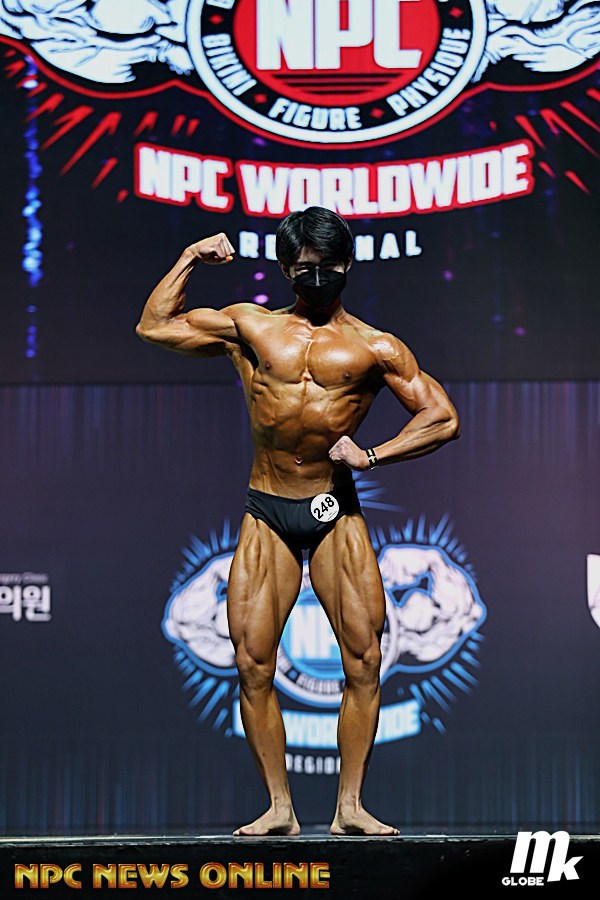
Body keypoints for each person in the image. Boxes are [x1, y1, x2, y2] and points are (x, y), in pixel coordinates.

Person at [136, 206, 460, 837]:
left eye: (329, 266)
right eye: (306, 267)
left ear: (347, 266)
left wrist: (372, 455)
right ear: (286, 268)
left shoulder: (375, 347)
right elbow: (154, 326)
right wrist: (192, 257)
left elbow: (442, 418)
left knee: (363, 659)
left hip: (333, 508)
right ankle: (280, 809)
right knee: (253, 663)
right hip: (268, 509)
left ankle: (350, 807)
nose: (318, 277)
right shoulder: (251, 328)